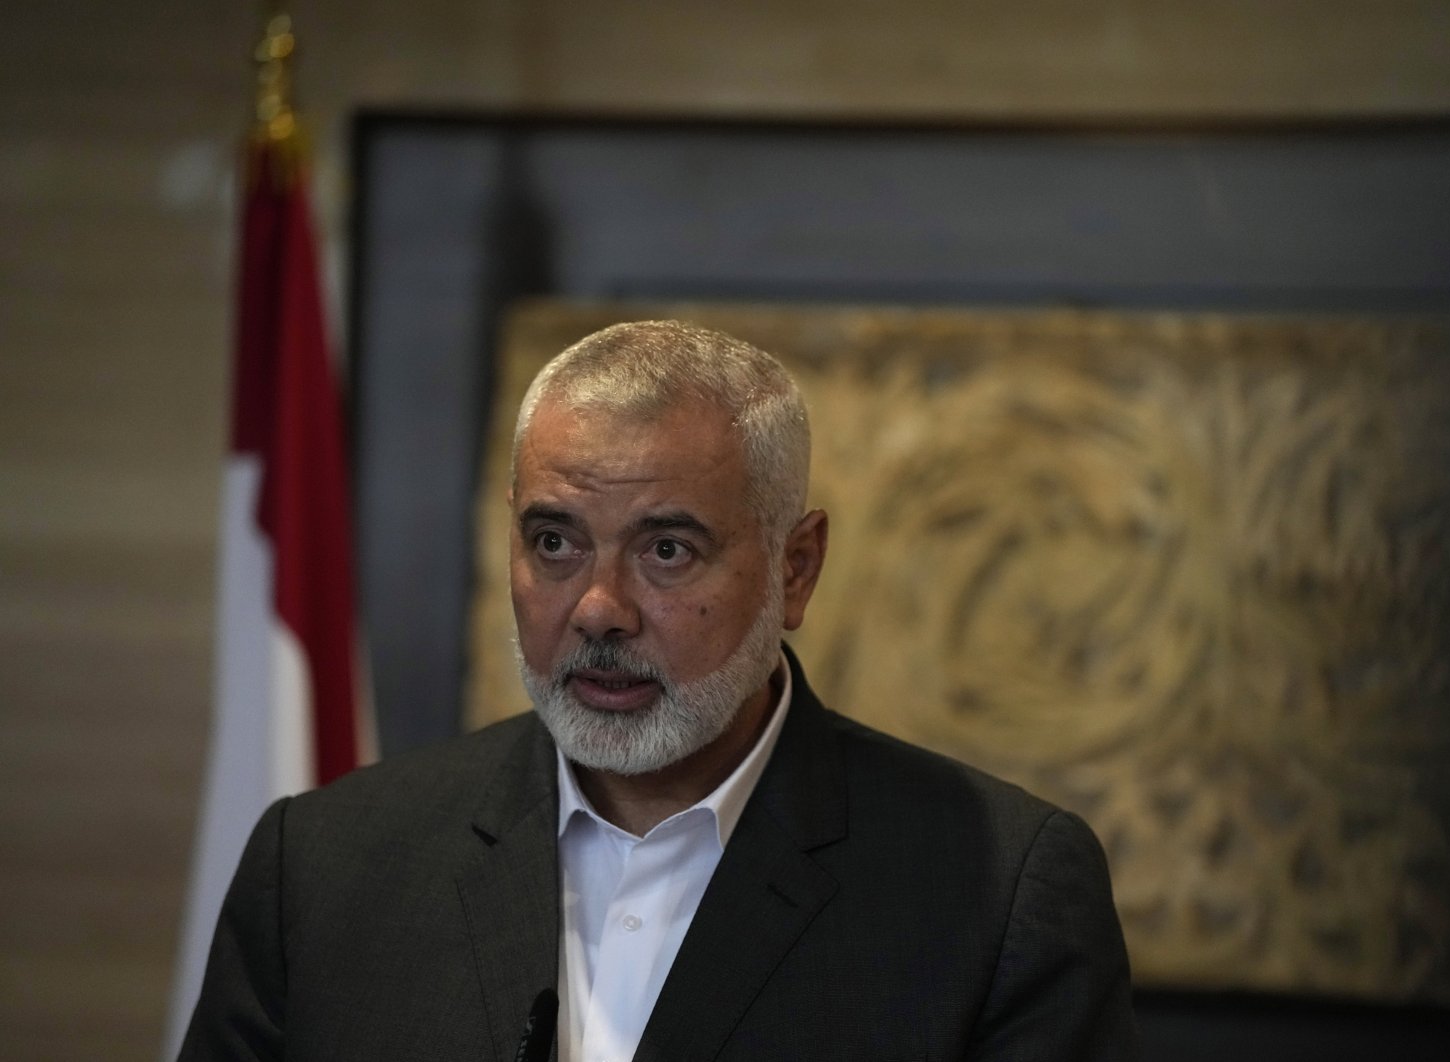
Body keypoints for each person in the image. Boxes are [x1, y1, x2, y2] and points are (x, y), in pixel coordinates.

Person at [179, 320, 1138, 1061]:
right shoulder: (321, 867)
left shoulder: (999, 892)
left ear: (794, 569)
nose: (599, 610)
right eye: (554, 542)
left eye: (667, 550)